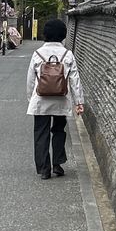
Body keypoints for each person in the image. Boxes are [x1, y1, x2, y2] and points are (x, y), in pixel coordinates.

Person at [26, 19, 85, 180]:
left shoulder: (37, 54)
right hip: (61, 99)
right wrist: (79, 102)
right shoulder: (68, 54)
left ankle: (44, 169)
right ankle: (57, 164)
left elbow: (31, 80)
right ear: (63, 35)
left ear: (45, 34)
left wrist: (30, 97)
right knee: (59, 131)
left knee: (41, 133)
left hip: (40, 101)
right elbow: (75, 80)